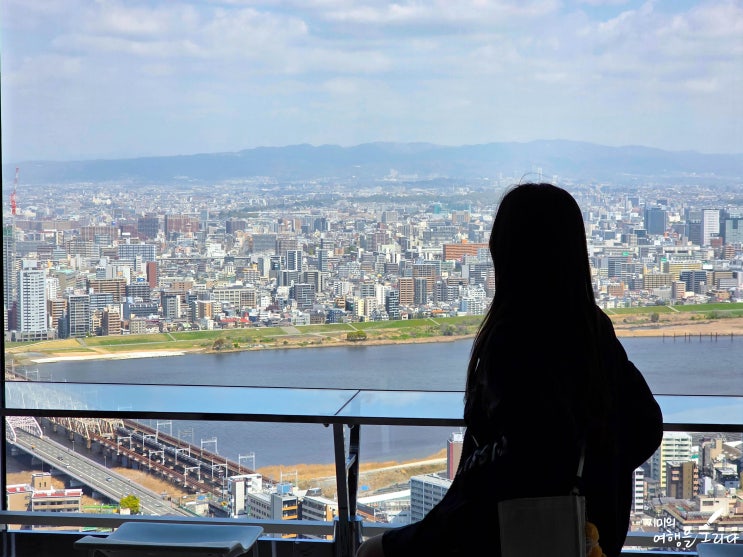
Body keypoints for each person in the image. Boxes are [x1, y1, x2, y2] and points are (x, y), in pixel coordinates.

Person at [356, 182, 663, 557]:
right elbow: (646, 425)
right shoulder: (591, 325)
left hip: (507, 531)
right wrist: (596, 475)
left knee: (371, 552)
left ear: (508, 253)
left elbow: (522, 455)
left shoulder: (513, 338)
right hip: (591, 535)